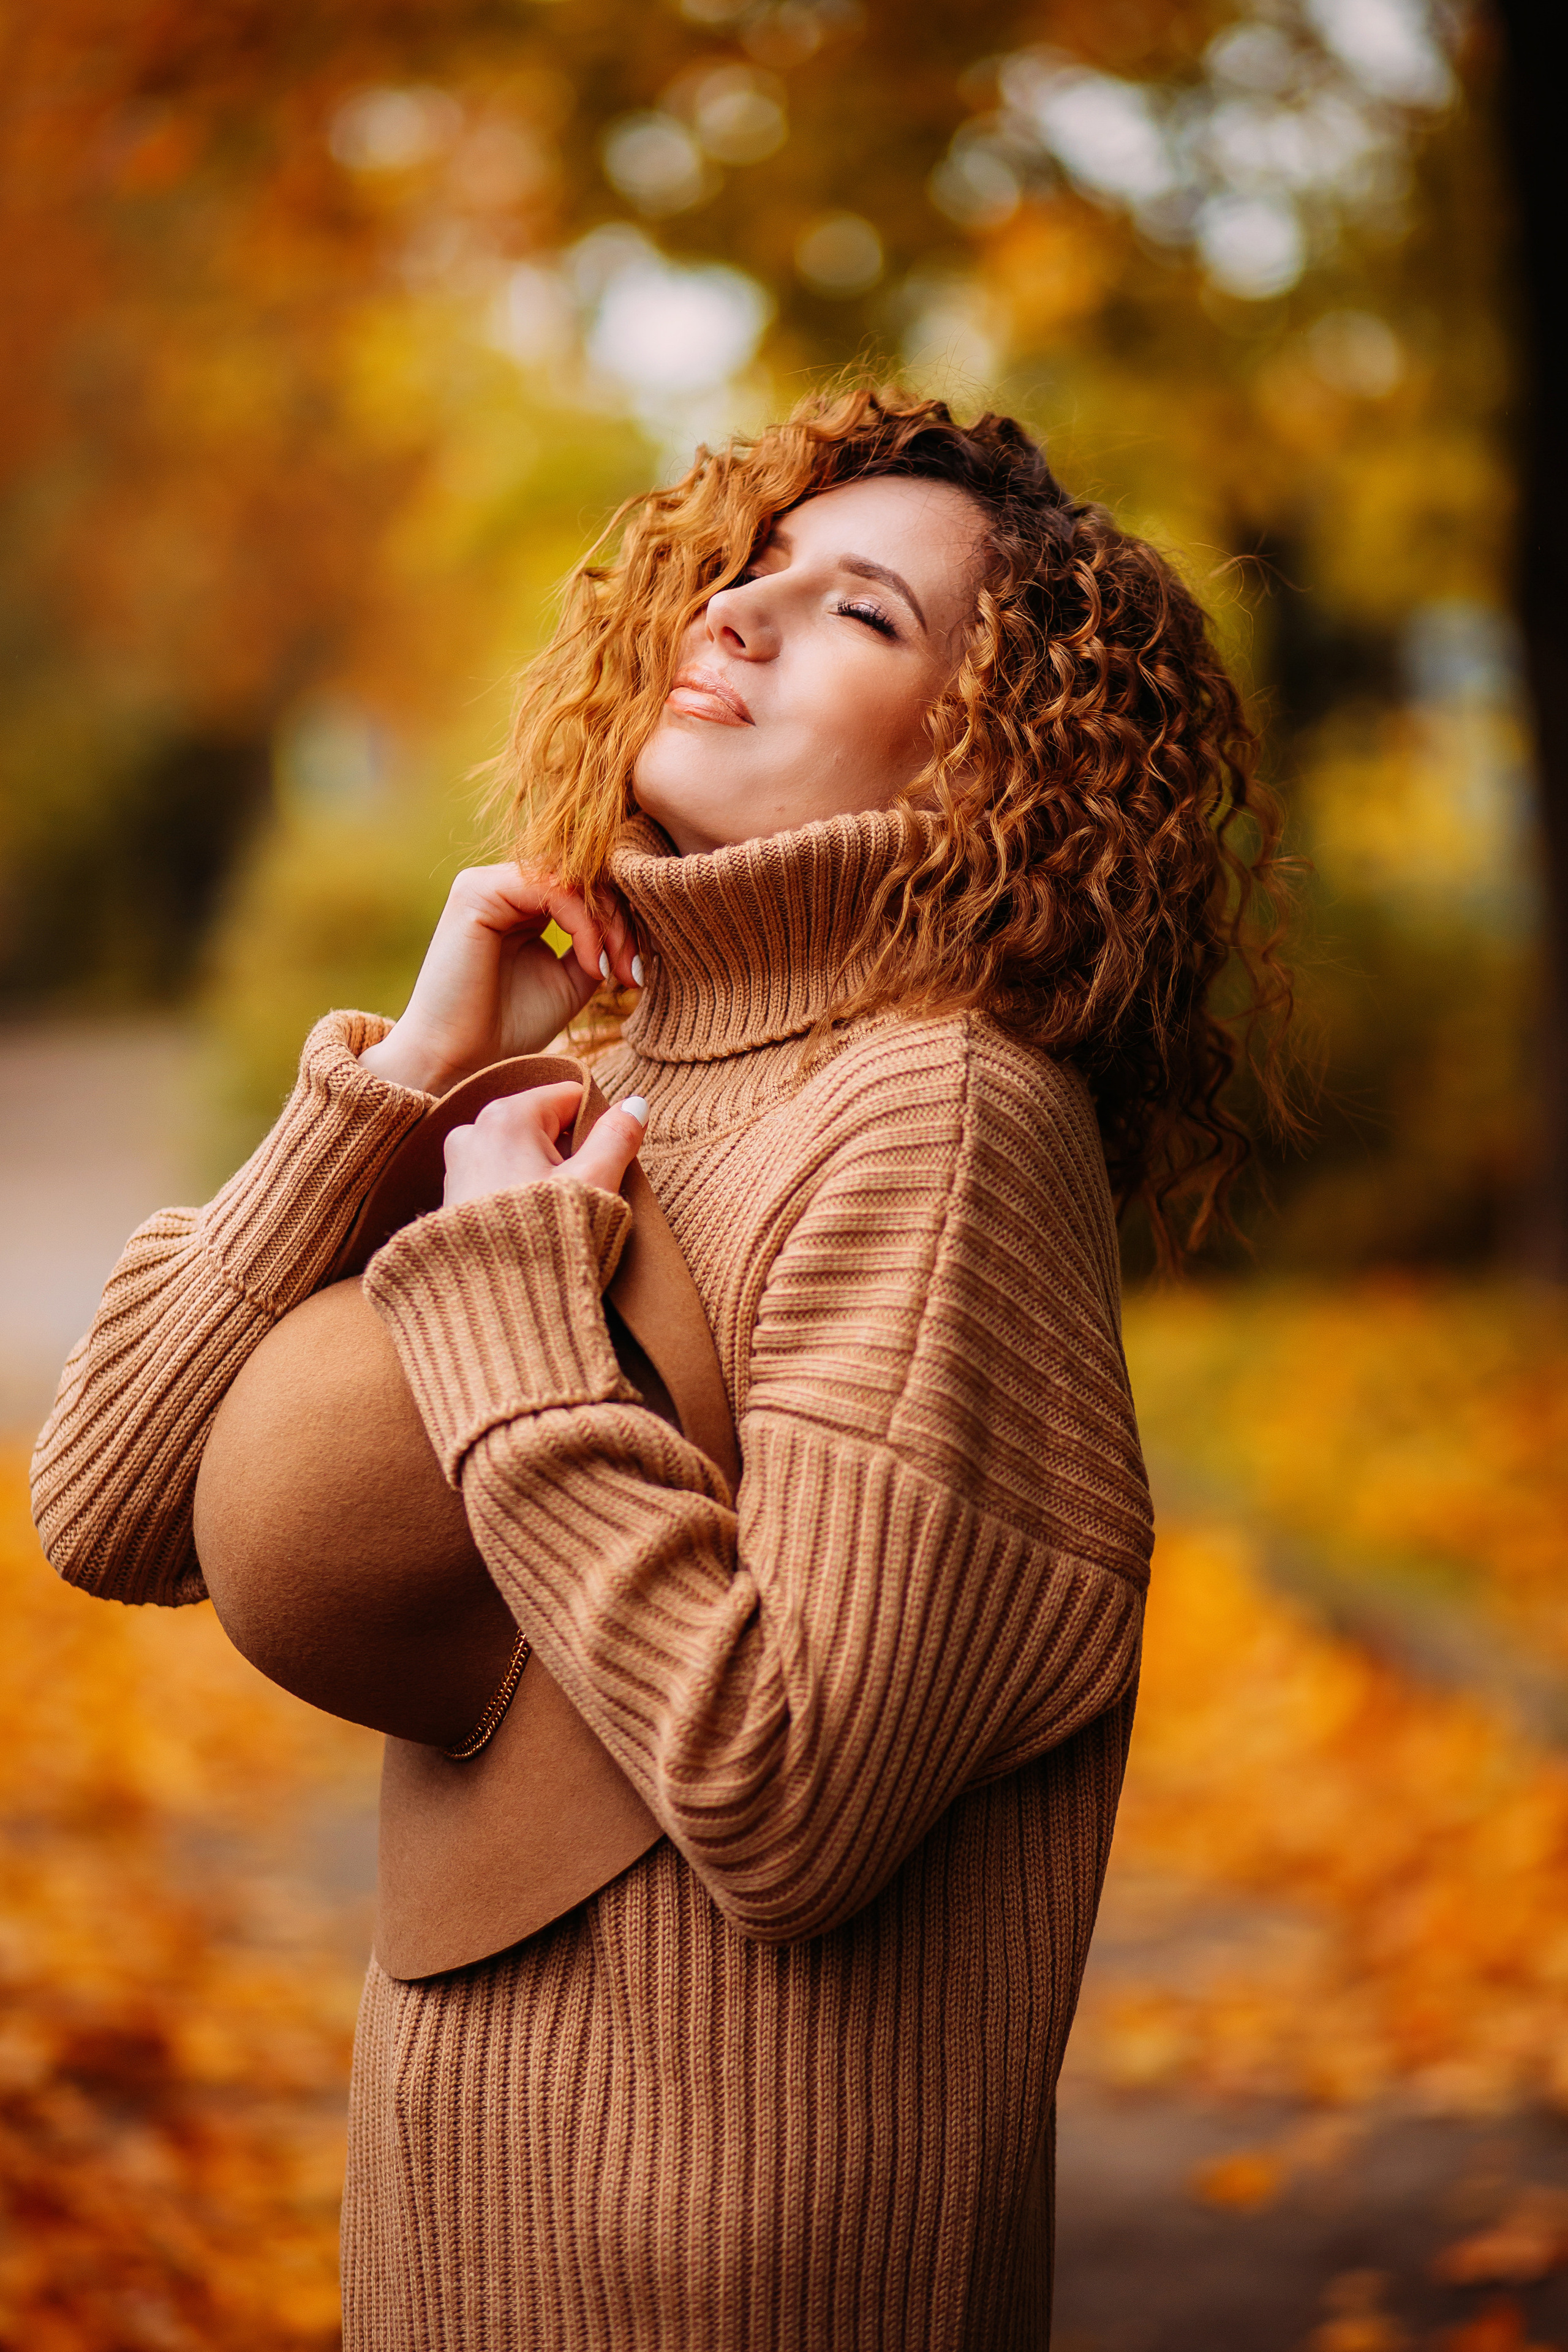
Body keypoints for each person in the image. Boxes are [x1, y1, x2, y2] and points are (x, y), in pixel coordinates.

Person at [31, 385, 1287, 2350]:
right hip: (449, 2242)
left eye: (862, 613)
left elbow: (789, 1803)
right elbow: (104, 1504)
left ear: (985, 773)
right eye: (751, 573)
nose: (741, 618)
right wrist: (409, 1080)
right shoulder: (593, 1089)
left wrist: (517, 1305)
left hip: (737, 2286)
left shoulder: (942, 1120)